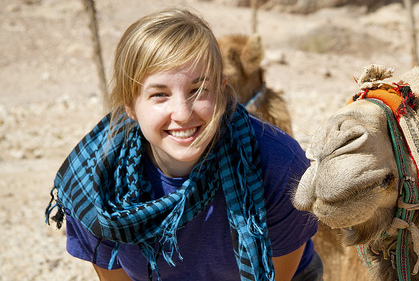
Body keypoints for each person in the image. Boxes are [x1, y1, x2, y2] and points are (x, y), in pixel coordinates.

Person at [45, 7, 320, 281]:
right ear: (129, 105)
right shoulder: (94, 188)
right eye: (159, 94)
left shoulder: (279, 166)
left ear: (222, 91)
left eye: (198, 90)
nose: (183, 113)